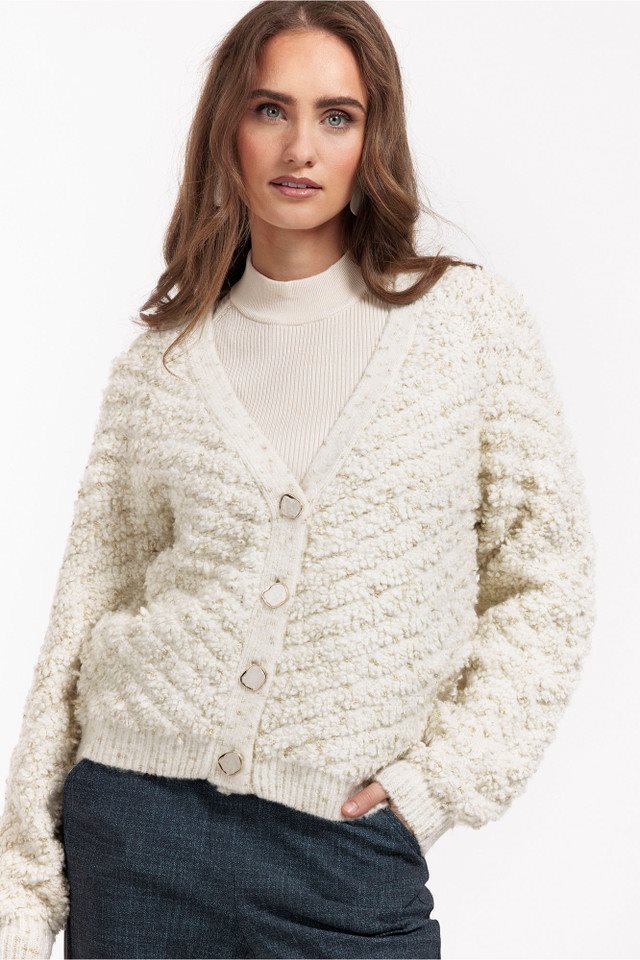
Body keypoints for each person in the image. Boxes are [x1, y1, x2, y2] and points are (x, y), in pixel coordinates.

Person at [0, 2, 596, 959]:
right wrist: (24, 894)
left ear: (373, 138)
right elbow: (85, 608)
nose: (300, 148)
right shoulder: (162, 366)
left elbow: (546, 582)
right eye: (270, 109)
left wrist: (439, 782)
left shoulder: (468, 326)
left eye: (337, 116)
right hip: (136, 838)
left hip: (345, 856)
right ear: (227, 129)